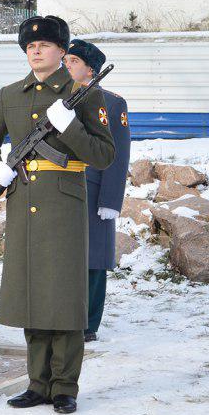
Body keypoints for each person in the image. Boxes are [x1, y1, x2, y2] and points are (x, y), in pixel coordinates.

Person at [0, 16, 115, 414]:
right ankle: (37, 382)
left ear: (61, 52)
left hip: (64, 205)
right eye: (30, 46)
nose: (36, 50)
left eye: (46, 45)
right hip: (23, 200)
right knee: (31, 294)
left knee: (64, 297)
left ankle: (65, 385)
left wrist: (69, 127)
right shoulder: (10, 93)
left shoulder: (81, 93)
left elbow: (104, 154)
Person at [65, 39, 131, 342]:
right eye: (65, 60)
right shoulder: (58, 98)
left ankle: (88, 323)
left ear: (91, 68)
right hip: (60, 185)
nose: (67, 66)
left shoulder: (112, 102)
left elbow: (117, 154)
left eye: (74, 61)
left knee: (92, 258)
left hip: (93, 189)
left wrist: (110, 200)